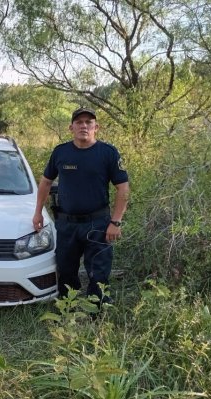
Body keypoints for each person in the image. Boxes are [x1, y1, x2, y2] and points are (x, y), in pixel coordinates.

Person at [32, 107, 129, 305]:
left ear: (96, 127)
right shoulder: (61, 152)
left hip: (98, 223)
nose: (84, 125)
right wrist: (38, 213)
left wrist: (116, 222)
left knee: (98, 272)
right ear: (71, 127)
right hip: (67, 225)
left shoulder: (108, 153)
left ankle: (97, 313)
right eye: (79, 122)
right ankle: (68, 312)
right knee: (66, 271)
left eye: (88, 122)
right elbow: (46, 182)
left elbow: (123, 188)